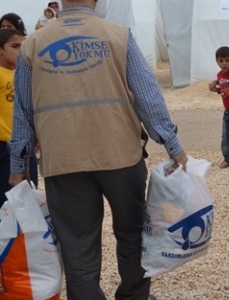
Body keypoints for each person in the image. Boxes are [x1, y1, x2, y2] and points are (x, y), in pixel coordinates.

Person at [8, 0, 188, 299]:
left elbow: (23, 111)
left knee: (77, 245)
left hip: (63, 161)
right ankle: (133, 295)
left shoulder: (34, 44)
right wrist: (173, 145)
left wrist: (18, 166)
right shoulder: (118, 35)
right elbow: (148, 97)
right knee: (132, 235)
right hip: (121, 156)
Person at [0, 28, 37, 207]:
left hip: (24, 147)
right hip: (3, 146)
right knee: (6, 200)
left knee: (28, 197)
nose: (21, 51)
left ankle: (25, 235)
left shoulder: (26, 75)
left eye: (24, 46)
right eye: (15, 46)